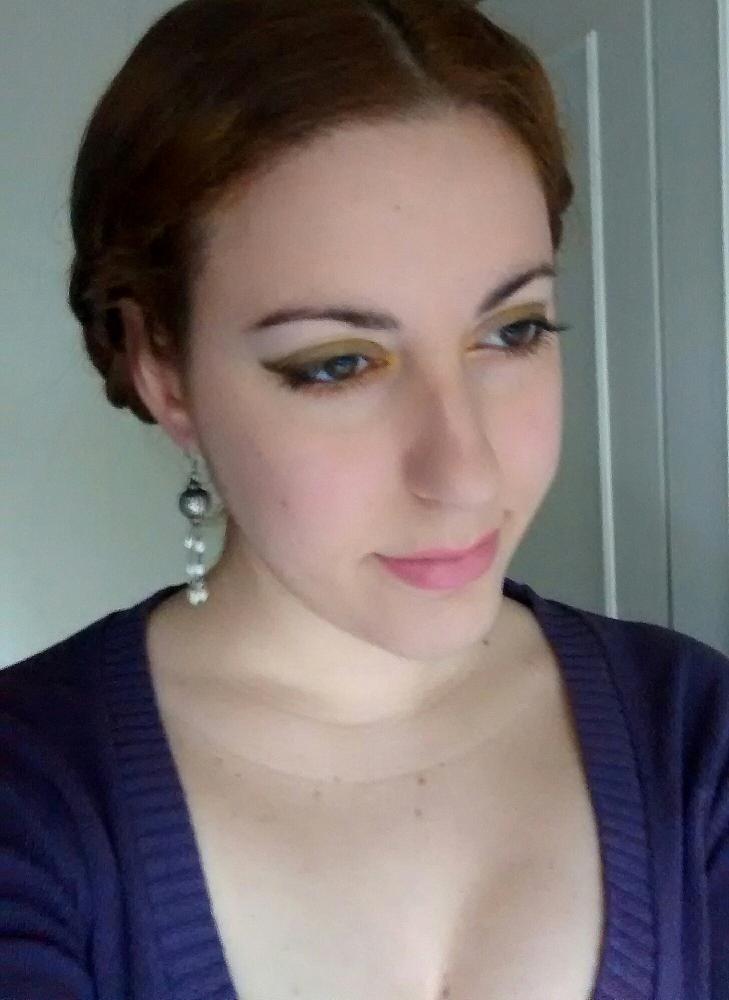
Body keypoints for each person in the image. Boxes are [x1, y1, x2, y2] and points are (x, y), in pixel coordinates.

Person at [2, 0, 728, 997]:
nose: (465, 473)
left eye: (513, 332)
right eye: (339, 364)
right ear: (162, 369)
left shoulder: (693, 735)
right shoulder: (31, 800)